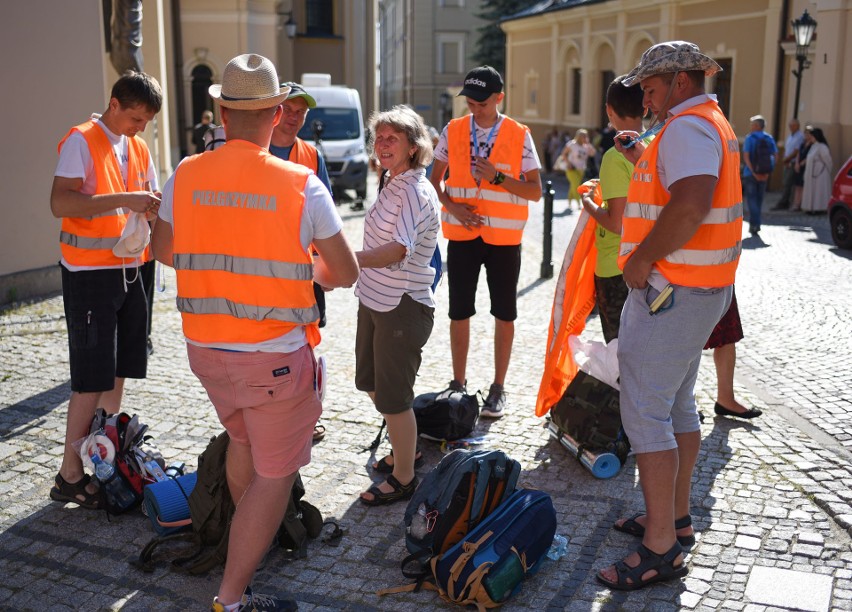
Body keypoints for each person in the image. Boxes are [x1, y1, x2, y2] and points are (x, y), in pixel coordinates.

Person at [151, 53, 359, 611]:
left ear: (221, 111)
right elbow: (343, 273)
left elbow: (165, 250)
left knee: (242, 442)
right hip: (274, 360)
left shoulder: (186, 173)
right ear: (275, 114)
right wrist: (300, 267)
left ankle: (245, 544)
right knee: (274, 476)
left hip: (206, 353)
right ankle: (231, 598)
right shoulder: (301, 184)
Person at [598, 41, 742, 591]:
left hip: (674, 291)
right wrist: (643, 162)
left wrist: (640, 259)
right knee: (675, 404)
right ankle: (674, 521)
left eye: (652, 87)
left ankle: (660, 546)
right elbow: (681, 192)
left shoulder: (686, 127)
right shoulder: (707, 122)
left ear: (680, 81)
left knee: (645, 411)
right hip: (698, 289)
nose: (645, 97)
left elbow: (691, 202)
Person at [49, 70, 163, 510]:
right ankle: (69, 474)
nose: (141, 128)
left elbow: (145, 195)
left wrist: (151, 205)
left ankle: (106, 454)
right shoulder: (81, 139)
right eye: (136, 118)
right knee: (91, 377)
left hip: (133, 269)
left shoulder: (135, 144)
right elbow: (60, 202)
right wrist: (126, 200)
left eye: (146, 121)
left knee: (120, 368)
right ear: (114, 104)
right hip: (90, 272)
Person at [429, 65, 542, 419]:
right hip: (463, 235)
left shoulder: (518, 134)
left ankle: (498, 387)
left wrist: (497, 177)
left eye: (480, 102)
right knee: (459, 311)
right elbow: (434, 181)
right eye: (470, 102)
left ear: (499, 98)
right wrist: (453, 208)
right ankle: (458, 382)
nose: (473, 108)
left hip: (504, 240)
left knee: (504, 313)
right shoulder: (454, 129)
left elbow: (535, 191)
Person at [355, 105, 440, 505]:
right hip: (375, 299)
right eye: (379, 138)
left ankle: (405, 477)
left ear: (413, 146)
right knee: (371, 384)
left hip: (402, 305)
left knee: (394, 398)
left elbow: (397, 249)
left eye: (393, 138)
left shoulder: (414, 189)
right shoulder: (392, 180)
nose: (383, 144)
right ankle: (408, 445)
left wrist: (347, 259)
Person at [269, 80, 333, 443]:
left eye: (301, 112)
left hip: (303, 269)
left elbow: (326, 216)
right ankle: (274, 414)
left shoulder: (311, 155)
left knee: (307, 342)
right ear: (274, 111)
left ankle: (306, 414)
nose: (294, 118)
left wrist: (324, 267)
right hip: (262, 268)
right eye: (288, 110)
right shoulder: (254, 149)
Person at [580, 76, 644, 343]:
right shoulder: (651, 147)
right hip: (644, 263)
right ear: (647, 107)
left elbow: (616, 222)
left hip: (614, 266)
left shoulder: (615, 155)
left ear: (608, 110)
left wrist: (589, 204)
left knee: (621, 353)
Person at [704, 289, 762, 419]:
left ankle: (726, 398)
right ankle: (685, 404)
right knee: (688, 338)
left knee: (727, 334)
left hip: (720, 275)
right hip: (684, 277)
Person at [741, 114, 777, 235]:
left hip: (750, 174)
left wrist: (753, 172)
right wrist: (768, 172)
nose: (750, 127)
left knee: (751, 200)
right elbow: (775, 156)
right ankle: (756, 224)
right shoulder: (769, 138)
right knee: (759, 200)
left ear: (757, 126)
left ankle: (754, 224)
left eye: (752, 125)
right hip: (764, 174)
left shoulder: (750, 138)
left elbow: (746, 157)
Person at [557, 128, 596, 209]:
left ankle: (569, 202)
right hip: (571, 169)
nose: (584, 138)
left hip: (581, 169)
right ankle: (579, 203)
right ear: (578, 136)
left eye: (586, 136)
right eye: (583, 136)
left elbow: (593, 153)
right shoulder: (572, 144)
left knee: (573, 186)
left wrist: (588, 143)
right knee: (576, 186)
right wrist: (568, 163)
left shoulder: (586, 146)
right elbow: (563, 154)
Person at [772, 118, 805, 210]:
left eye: (792, 125)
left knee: (788, 183)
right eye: (789, 125)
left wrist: (787, 159)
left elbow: (796, 151)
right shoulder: (790, 136)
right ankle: (785, 201)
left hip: (793, 162)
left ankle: (785, 202)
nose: (790, 127)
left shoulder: (800, 136)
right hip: (787, 162)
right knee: (786, 182)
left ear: (797, 126)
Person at [800, 125, 833, 214]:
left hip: (821, 173)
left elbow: (827, 160)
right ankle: (811, 208)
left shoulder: (822, 147)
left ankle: (820, 208)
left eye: (812, 136)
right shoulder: (814, 146)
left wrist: (826, 170)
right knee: (813, 191)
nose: (810, 137)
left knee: (819, 191)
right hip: (813, 172)